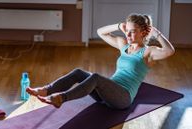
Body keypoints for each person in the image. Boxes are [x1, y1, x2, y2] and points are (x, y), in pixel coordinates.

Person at [26, 13, 175, 109]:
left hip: (123, 98)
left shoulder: (148, 52)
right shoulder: (123, 45)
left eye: (133, 31)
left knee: (96, 78)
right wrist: (119, 26)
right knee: (79, 72)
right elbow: (100, 32)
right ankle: (47, 89)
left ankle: (61, 98)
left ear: (143, 32)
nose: (128, 35)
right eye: (127, 30)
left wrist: (157, 33)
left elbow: (170, 51)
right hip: (107, 93)